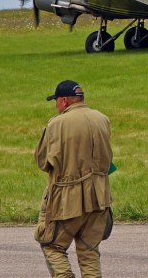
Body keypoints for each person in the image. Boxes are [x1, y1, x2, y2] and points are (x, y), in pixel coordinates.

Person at [34, 80, 113, 278]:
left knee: (52, 245)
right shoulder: (102, 119)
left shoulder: (57, 123)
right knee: (89, 252)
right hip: (100, 199)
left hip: (68, 199)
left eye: (56, 102)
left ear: (63, 101)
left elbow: (43, 162)